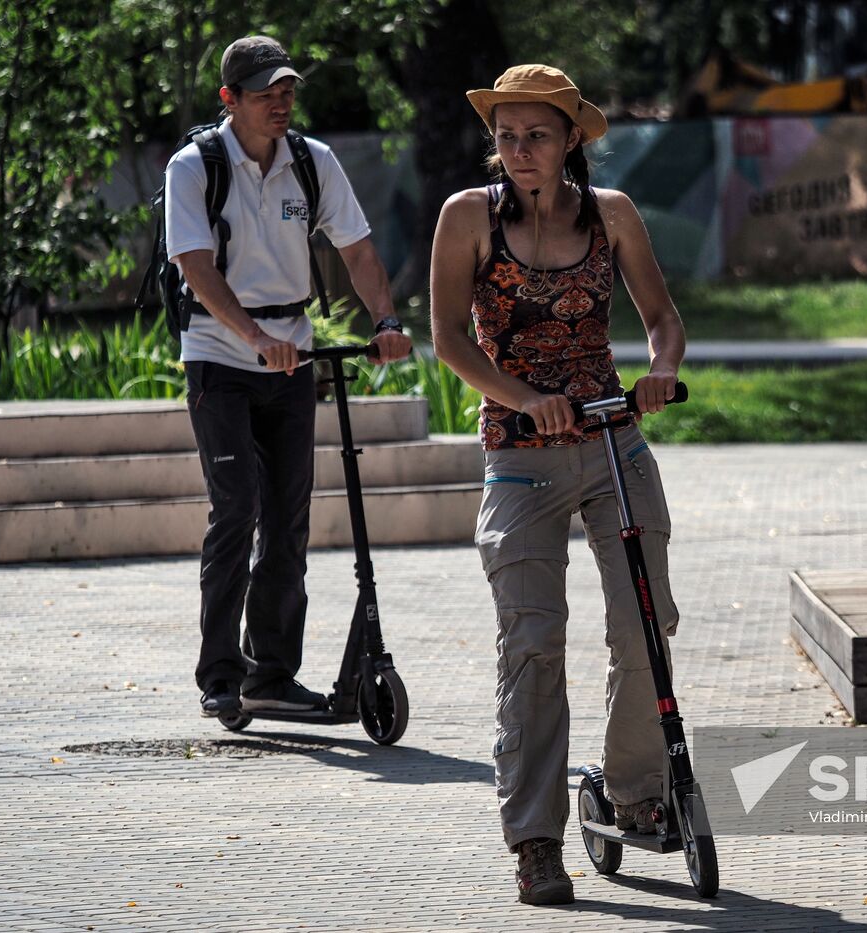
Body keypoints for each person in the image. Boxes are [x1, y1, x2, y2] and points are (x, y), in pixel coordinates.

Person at [429, 64, 686, 906]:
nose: (518, 151)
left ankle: (634, 788)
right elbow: (449, 342)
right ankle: (536, 838)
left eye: (536, 135)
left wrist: (661, 371)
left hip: (614, 440)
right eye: (505, 136)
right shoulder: (466, 217)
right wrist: (526, 399)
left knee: (646, 626)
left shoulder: (612, 216)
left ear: (572, 137)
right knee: (534, 643)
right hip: (518, 453)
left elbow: (661, 317)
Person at [166, 36, 412, 718]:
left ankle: (271, 670)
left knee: (288, 518)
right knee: (237, 506)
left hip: (293, 355)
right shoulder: (195, 167)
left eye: (287, 90)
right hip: (220, 353)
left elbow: (357, 251)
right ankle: (220, 672)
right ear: (230, 99)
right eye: (265, 92)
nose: (281, 101)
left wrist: (385, 320)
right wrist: (253, 337)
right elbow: (196, 267)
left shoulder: (312, 162)